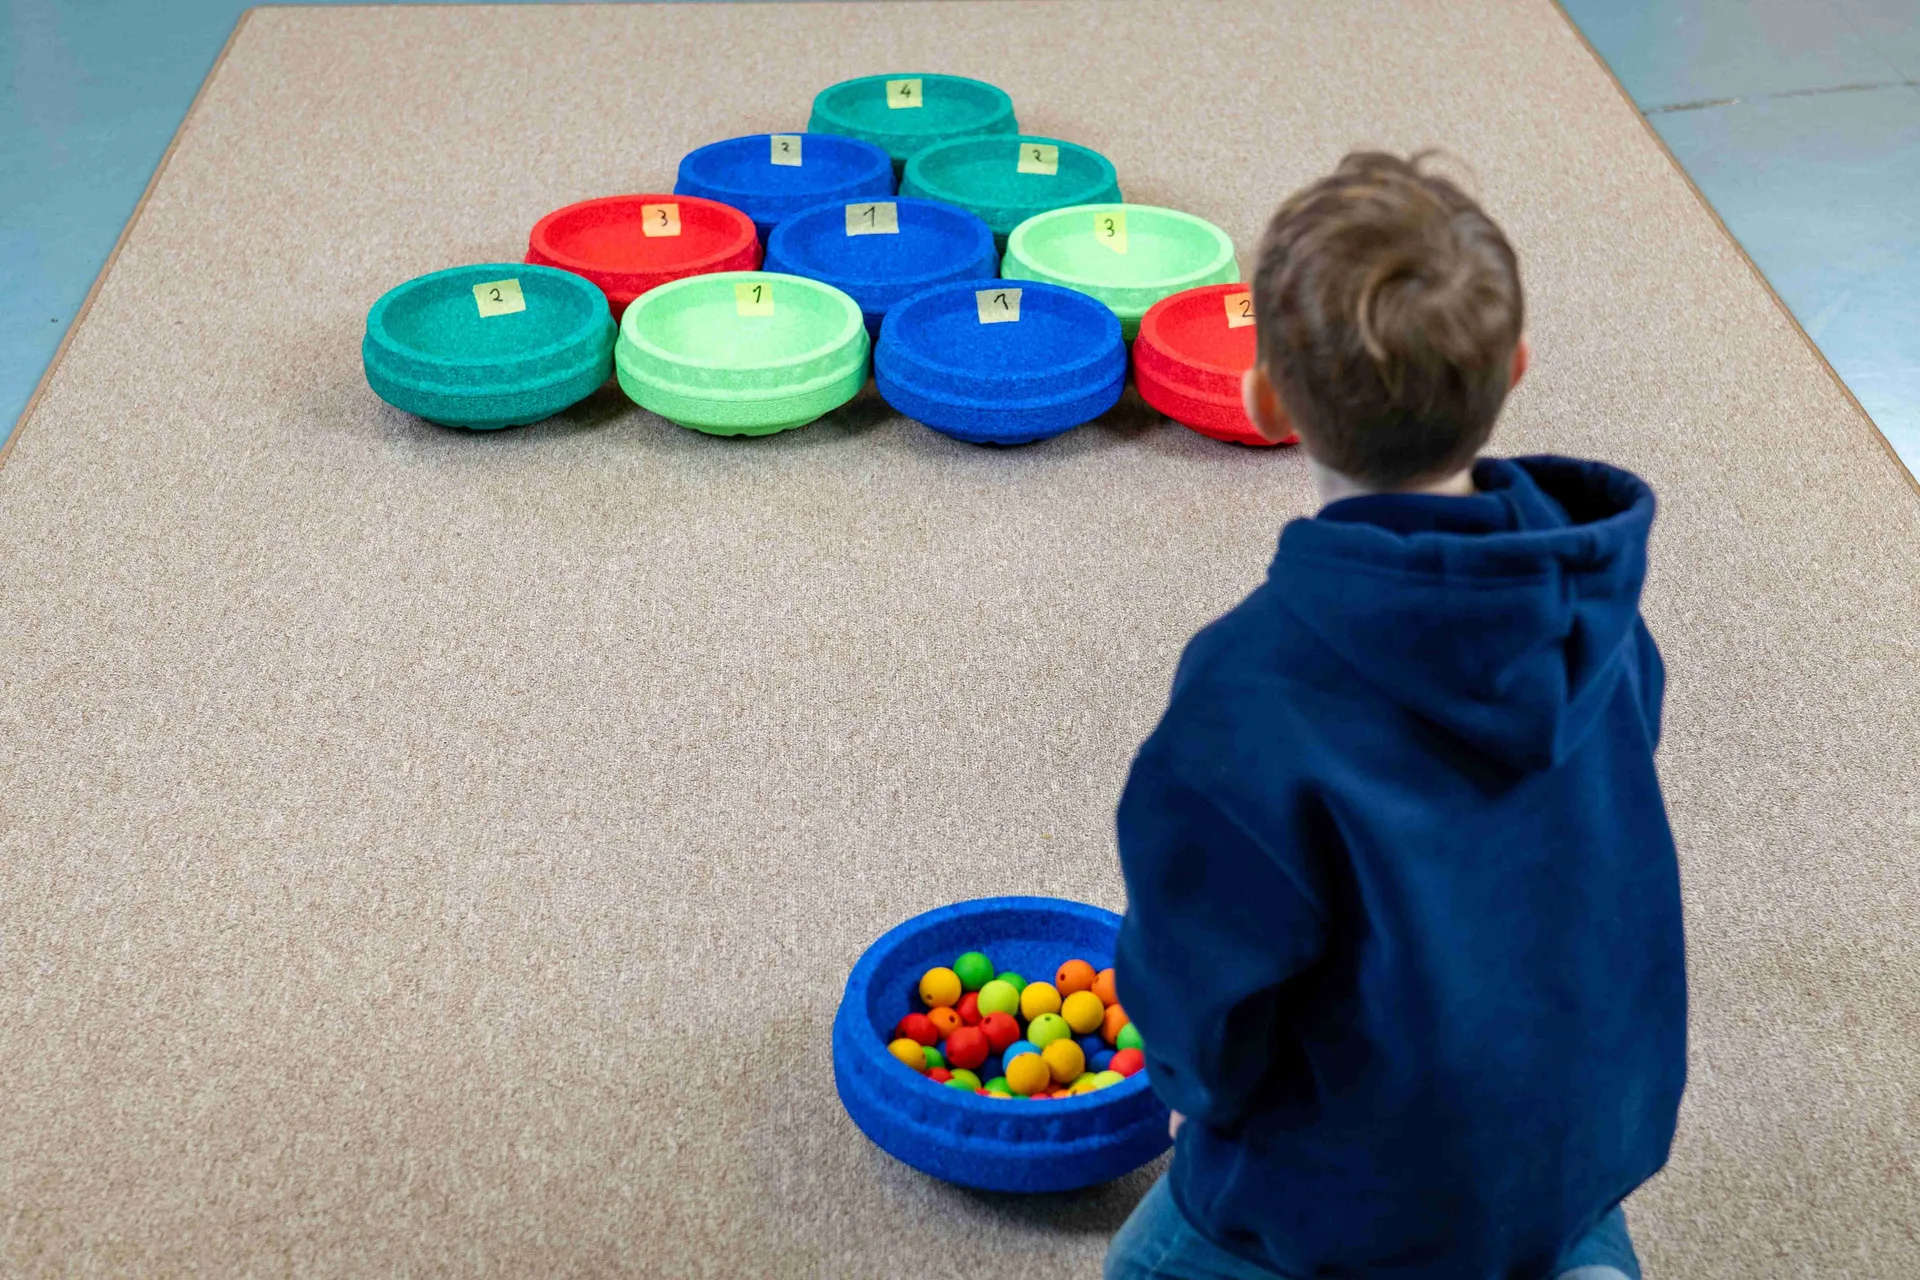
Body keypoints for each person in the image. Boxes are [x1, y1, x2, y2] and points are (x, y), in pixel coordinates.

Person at [1105, 152, 1686, 1280]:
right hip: (1583, 1129)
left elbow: (1207, 988)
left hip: (1359, 1194)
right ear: (1515, 369)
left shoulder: (1247, 692)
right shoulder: (1595, 610)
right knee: (1541, 1209)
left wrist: (1185, 1084)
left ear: (1267, 399)